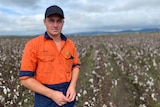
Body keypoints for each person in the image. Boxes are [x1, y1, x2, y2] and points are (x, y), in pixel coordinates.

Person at [19, 5, 80, 107]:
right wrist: (52, 94)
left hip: (68, 98)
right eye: (51, 20)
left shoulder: (70, 44)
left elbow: (76, 66)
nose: (55, 25)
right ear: (44, 22)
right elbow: (25, 79)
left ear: (63, 23)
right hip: (45, 100)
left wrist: (72, 86)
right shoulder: (33, 45)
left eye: (59, 21)